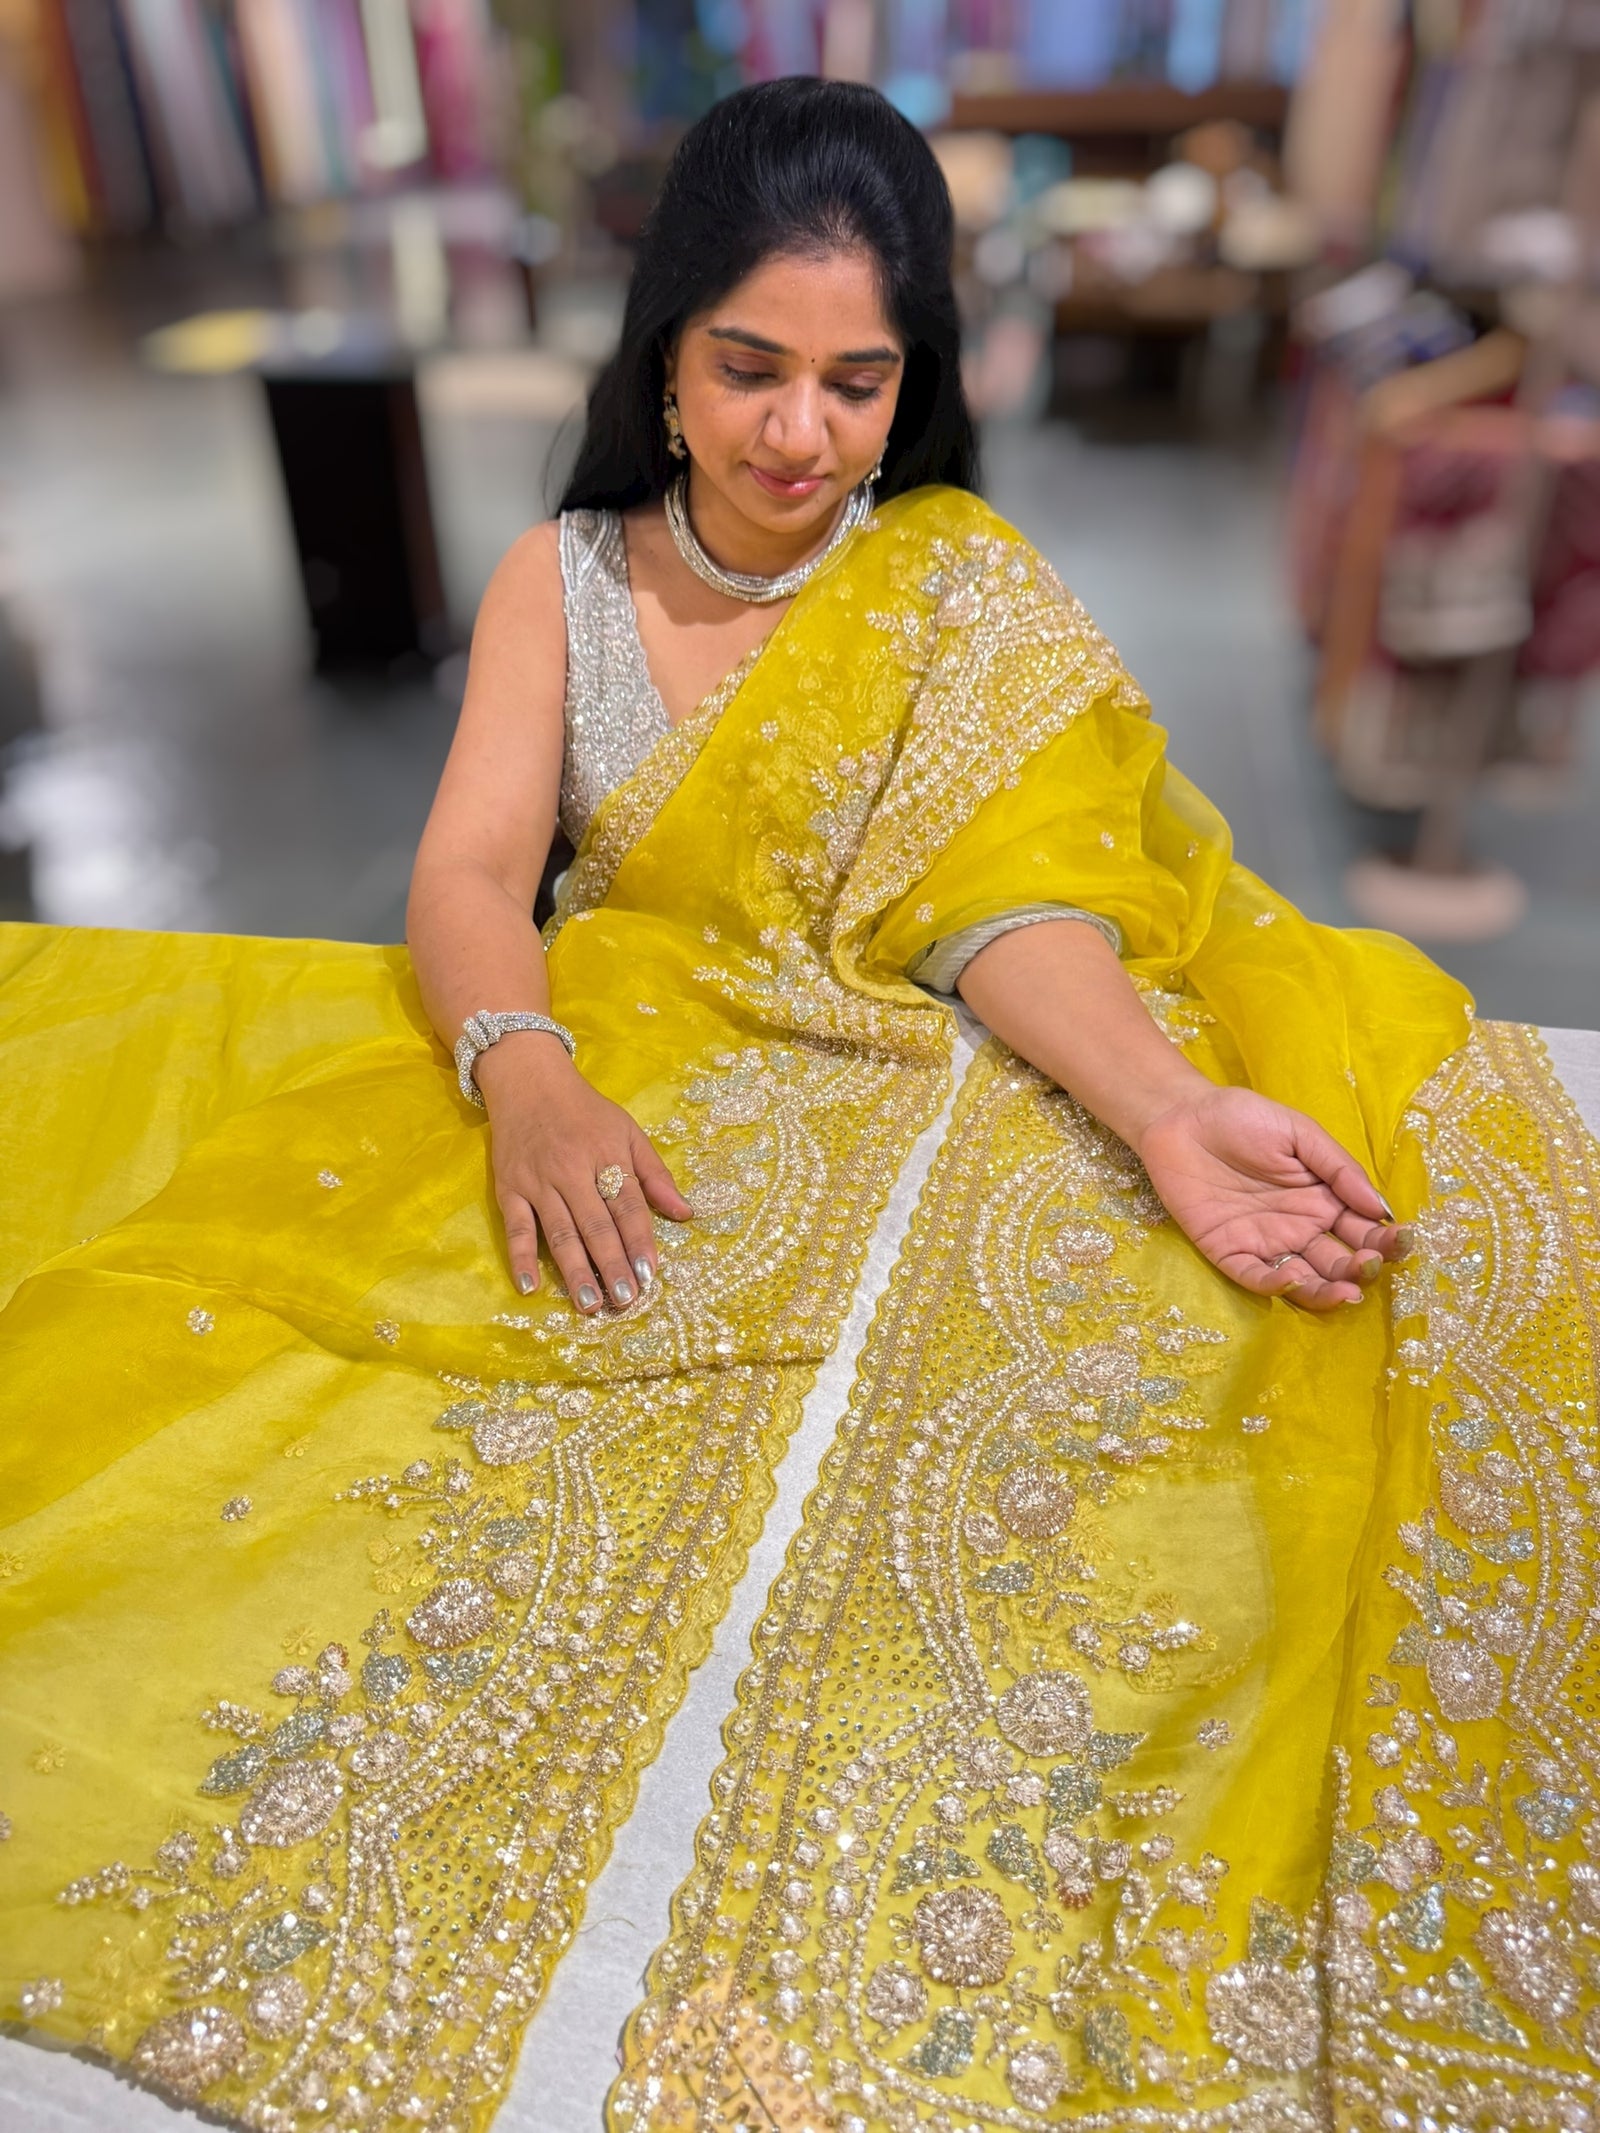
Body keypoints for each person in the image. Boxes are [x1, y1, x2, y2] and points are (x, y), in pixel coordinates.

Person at [1, 76, 1594, 2133]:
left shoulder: (949, 586)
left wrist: (1169, 1115)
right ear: (661, 353)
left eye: (855, 380)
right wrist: (528, 1068)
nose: (795, 432)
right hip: (615, 1116)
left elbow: (993, 905)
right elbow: (470, 882)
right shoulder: (560, 583)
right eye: (747, 366)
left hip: (890, 1129)